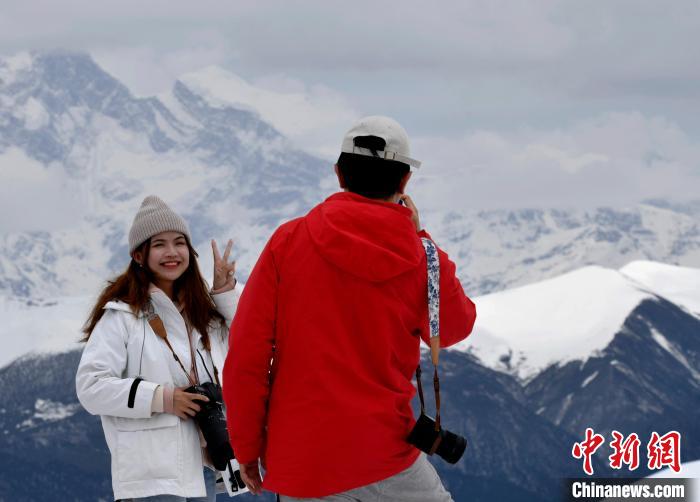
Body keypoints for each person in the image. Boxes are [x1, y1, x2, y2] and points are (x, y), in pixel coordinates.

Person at [223, 116, 477, 501]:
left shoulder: (288, 242)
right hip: (387, 453)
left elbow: (247, 358)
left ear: (339, 174)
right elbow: (454, 328)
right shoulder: (418, 254)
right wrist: (421, 237)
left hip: (303, 462)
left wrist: (246, 447)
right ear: (405, 180)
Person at [76, 195, 240, 501]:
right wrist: (162, 398)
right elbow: (90, 387)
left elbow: (248, 351)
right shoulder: (122, 316)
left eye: (179, 242)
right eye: (159, 244)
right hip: (150, 477)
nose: (172, 252)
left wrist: (224, 293)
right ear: (139, 255)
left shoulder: (203, 313)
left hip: (204, 468)